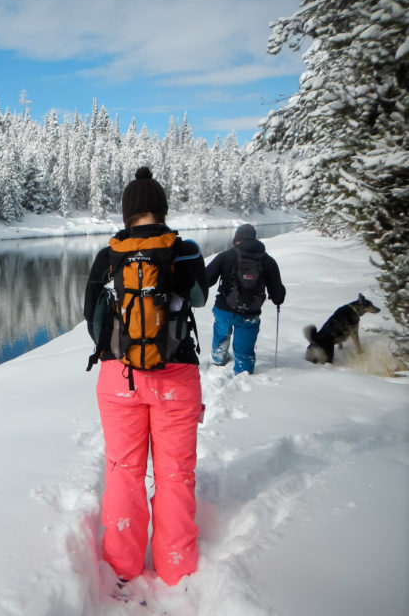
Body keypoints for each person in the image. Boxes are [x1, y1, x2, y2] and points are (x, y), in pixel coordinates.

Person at [83, 167, 207, 588]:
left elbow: (92, 319)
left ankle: (123, 566)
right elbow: (200, 298)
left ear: (126, 212)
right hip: (176, 377)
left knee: (123, 471)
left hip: (119, 378)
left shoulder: (107, 256)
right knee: (175, 473)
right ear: (162, 208)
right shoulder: (185, 249)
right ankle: (176, 566)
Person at [205, 224, 285, 375]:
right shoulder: (268, 261)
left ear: (237, 240)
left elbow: (206, 279)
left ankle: (218, 357)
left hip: (223, 310)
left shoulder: (226, 256)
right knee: (245, 349)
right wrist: (278, 299)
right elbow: (278, 296)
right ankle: (243, 371)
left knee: (221, 333)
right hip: (250, 313)